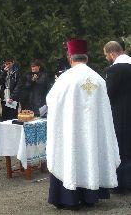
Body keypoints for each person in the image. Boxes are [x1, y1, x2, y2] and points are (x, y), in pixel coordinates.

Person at [46, 39, 121, 210]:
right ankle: (90, 196)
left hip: (72, 132)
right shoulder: (98, 79)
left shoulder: (65, 79)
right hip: (93, 133)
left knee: (71, 157)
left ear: (70, 57)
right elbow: (105, 112)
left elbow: (51, 101)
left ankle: (69, 198)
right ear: (86, 57)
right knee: (91, 154)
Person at [103, 41, 131, 194]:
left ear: (112, 53)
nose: (108, 58)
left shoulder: (114, 70)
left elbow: (108, 94)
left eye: (107, 55)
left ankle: (123, 183)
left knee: (121, 148)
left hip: (121, 114)